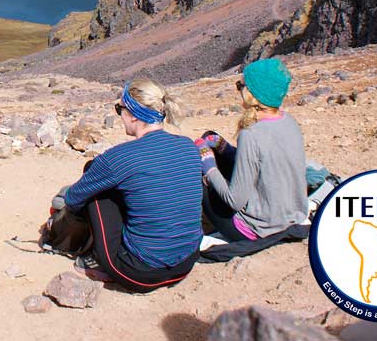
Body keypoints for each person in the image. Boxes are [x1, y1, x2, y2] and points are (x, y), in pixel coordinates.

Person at [61, 78, 203, 292]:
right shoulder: (188, 146)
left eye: (120, 109)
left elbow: (74, 198)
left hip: (140, 273)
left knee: (96, 187)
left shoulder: (120, 157)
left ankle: (95, 256)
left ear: (134, 115)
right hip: (186, 263)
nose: (120, 116)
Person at [196, 58, 307, 242]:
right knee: (210, 136)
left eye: (241, 86)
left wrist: (209, 167)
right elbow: (261, 159)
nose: (240, 89)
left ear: (252, 95)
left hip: (255, 229)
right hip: (289, 217)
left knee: (196, 169)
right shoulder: (289, 122)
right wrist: (224, 148)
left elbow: (235, 200)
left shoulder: (250, 135)